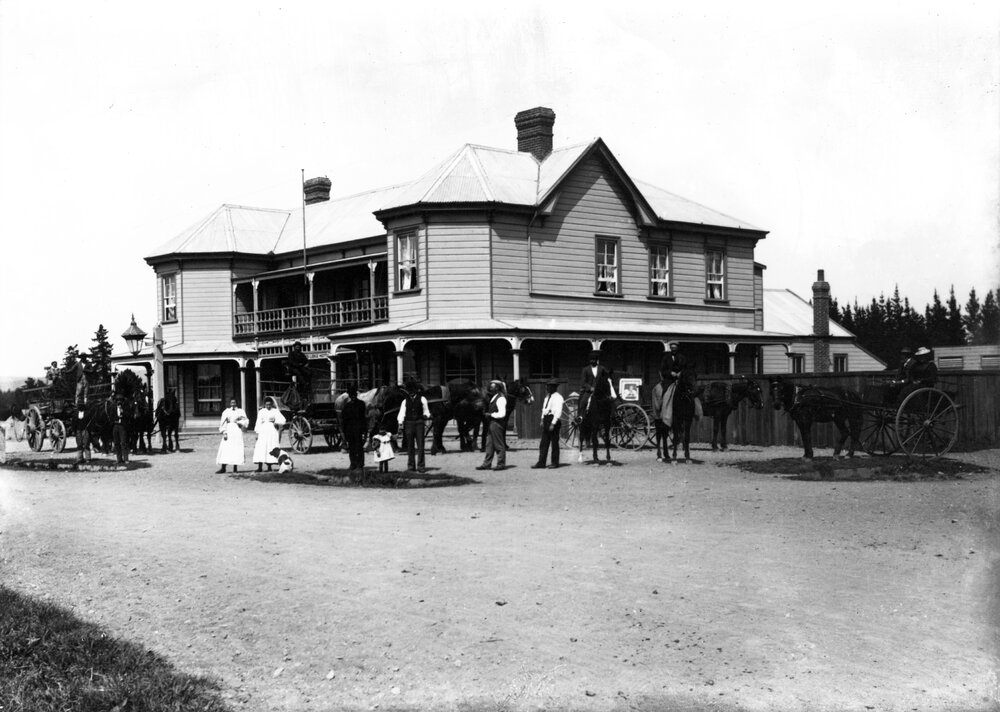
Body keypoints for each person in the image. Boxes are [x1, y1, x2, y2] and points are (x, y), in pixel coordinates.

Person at [397, 379, 431, 473]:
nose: (411, 393)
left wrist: (426, 416)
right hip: (408, 424)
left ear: (416, 390)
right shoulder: (405, 401)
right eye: (409, 391)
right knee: (410, 446)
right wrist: (400, 423)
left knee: (420, 445)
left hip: (419, 423)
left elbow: (426, 411)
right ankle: (411, 467)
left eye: (412, 391)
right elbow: (401, 413)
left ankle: (421, 466)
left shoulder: (422, 399)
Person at [532, 378, 564, 469]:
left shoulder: (558, 397)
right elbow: (544, 409)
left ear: (554, 387)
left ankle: (555, 463)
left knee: (554, 443)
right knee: (543, 443)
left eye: (549, 386)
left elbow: (558, 412)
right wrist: (542, 419)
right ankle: (541, 463)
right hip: (546, 419)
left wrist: (553, 424)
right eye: (547, 386)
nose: (547, 388)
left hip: (553, 420)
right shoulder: (547, 397)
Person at [477, 380, 509, 471]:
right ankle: (487, 463)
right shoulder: (494, 397)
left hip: (497, 423)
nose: (490, 387)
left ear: (498, 388)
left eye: (493, 386)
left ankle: (501, 463)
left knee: (498, 444)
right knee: (489, 445)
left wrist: (491, 415)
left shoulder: (501, 398)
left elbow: (502, 413)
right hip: (492, 423)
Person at [253, 397, 286, 472]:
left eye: (269, 405)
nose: (268, 406)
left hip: (272, 430)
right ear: (264, 405)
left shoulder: (275, 411)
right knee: (261, 447)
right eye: (266, 405)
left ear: (272, 404)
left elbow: (283, 419)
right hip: (263, 430)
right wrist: (257, 433)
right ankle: (260, 467)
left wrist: (276, 422)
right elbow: (258, 422)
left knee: (270, 446)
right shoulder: (261, 411)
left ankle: (269, 467)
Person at [216, 398, 249, 473]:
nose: (233, 404)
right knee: (225, 448)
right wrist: (224, 432)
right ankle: (223, 467)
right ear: (230, 403)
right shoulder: (226, 411)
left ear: (237, 403)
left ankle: (235, 468)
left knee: (236, 448)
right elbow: (223, 422)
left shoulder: (240, 411)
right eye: (232, 402)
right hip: (229, 429)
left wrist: (239, 422)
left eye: (234, 402)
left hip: (237, 430)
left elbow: (246, 420)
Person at [341, 384, 368, 472]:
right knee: (352, 447)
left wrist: (364, 430)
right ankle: (353, 463)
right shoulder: (346, 406)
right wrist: (344, 432)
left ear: (356, 395)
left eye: (354, 395)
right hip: (350, 429)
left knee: (359, 446)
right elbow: (344, 420)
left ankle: (360, 464)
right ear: (349, 395)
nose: (353, 397)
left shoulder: (361, 404)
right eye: (351, 395)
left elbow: (363, 418)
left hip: (358, 428)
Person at [111, 396, 131, 465]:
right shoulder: (113, 408)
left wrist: (123, 412)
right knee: (116, 443)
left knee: (123, 442)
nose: (119, 402)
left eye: (120, 401)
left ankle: (126, 459)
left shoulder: (125, 408)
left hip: (122, 426)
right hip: (115, 426)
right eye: (117, 401)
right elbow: (111, 416)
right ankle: (119, 459)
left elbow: (129, 416)